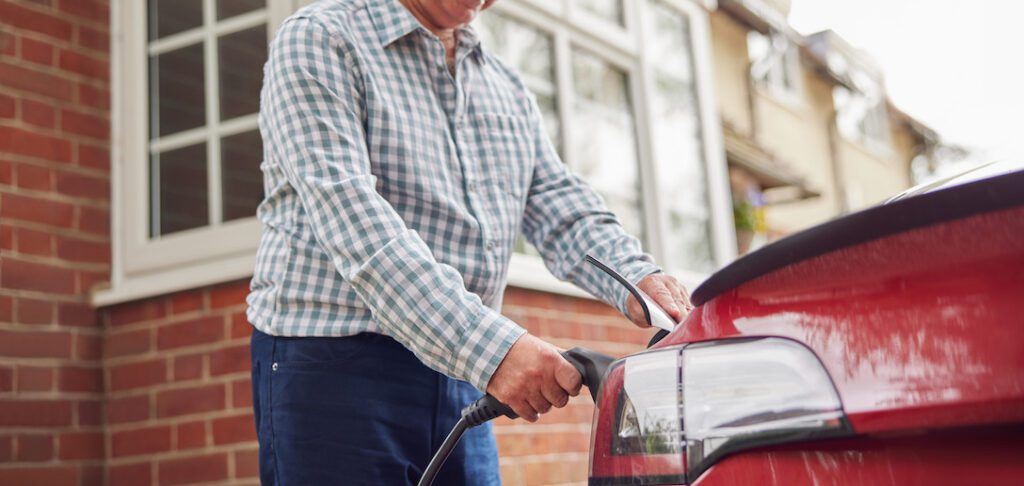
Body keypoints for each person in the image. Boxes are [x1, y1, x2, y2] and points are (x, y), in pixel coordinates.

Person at [246, 0, 693, 484]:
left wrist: (638, 278)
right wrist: (496, 351)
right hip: (335, 366)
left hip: (461, 371)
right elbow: (355, 222)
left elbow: (559, 204)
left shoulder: (504, 85)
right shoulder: (320, 39)